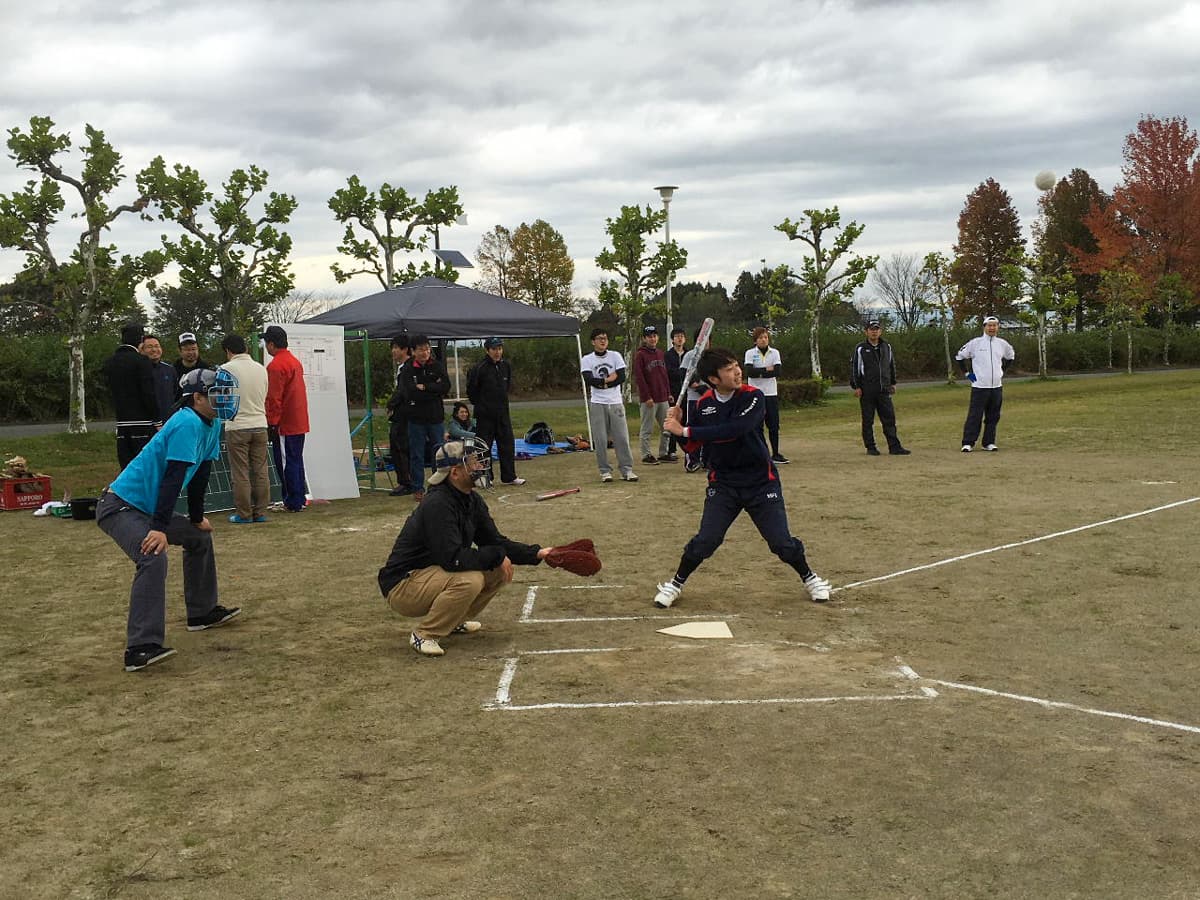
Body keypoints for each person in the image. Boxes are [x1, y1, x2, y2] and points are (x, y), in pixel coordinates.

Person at [654, 348, 831, 608]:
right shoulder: (704, 404)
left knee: (781, 543)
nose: (737, 372)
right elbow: (694, 447)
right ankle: (675, 584)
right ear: (713, 379)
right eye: (729, 369)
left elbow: (735, 430)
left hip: (761, 482)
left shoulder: (753, 396)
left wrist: (686, 429)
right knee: (706, 541)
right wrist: (677, 430)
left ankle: (810, 577)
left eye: (737, 365)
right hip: (724, 484)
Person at [95, 366, 243, 672]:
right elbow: (172, 479)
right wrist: (160, 530)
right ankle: (140, 647)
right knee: (153, 555)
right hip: (121, 506)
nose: (225, 399)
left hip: (147, 509)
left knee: (198, 537)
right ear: (197, 398)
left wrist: (198, 517)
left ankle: (201, 613)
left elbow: (201, 472)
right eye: (218, 394)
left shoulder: (212, 423)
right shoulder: (187, 423)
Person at [377, 440, 555, 657]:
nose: (480, 466)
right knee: (470, 579)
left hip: (430, 575)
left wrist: (538, 553)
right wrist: (498, 556)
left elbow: (494, 541)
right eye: (472, 463)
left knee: (497, 571)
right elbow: (453, 558)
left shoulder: (471, 499)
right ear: (454, 472)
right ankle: (425, 634)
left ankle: (453, 621)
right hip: (403, 584)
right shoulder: (438, 504)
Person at [221, 334, 271, 523]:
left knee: (240, 472)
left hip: (237, 425)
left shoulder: (225, 369)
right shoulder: (261, 369)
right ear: (246, 348)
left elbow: (222, 399)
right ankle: (261, 512)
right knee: (261, 470)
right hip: (260, 423)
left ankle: (244, 514)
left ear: (228, 351)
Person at [579, 327, 637, 483]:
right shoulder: (587, 359)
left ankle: (627, 469)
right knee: (600, 439)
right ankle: (605, 471)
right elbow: (589, 380)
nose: (603, 341)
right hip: (598, 403)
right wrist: (607, 380)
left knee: (621, 437)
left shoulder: (615, 356)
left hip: (615, 402)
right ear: (593, 342)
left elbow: (621, 377)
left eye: (605, 338)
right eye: (599, 338)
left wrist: (607, 382)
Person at [262, 325, 310, 511]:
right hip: (299, 420)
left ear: (272, 344)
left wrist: (272, 423)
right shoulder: (294, 361)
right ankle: (299, 498)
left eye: (266, 342)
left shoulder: (275, 366)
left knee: (285, 462)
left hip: (286, 422)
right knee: (296, 460)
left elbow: (274, 398)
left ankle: (292, 501)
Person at [103, 322, 162, 470]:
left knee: (126, 468)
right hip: (142, 423)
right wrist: (157, 419)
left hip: (122, 422)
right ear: (140, 341)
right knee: (145, 467)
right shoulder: (141, 361)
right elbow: (148, 393)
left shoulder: (110, 362)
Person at [467, 336, 525, 485]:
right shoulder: (479, 368)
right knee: (483, 446)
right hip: (484, 415)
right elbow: (472, 392)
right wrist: (483, 405)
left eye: (499, 348)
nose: (497, 352)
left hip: (503, 413)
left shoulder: (506, 366)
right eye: (494, 349)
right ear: (487, 350)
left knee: (507, 444)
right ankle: (485, 477)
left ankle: (509, 476)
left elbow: (506, 387)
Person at [849, 320, 911, 456]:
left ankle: (894, 446)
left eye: (876, 329)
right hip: (867, 390)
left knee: (889, 419)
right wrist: (857, 386)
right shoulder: (860, 348)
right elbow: (855, 368)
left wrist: (893, 383)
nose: (874, 332)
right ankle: (871, 447)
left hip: (884, 389)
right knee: (868, 420)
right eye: (871, 329)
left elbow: (891, 365)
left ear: (880, 331)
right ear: (866, 331)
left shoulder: (886, 347)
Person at [400, 334, 450, 502]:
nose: (425, 352)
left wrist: (426, 387)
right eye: (421, 349)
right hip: (416, 418)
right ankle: (417, 488)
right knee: (417, 455)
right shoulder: (407, 369)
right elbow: (408, 392)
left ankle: (439, 486)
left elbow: (445, 387)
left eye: (427, 349)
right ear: (413, 351)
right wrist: (431, 391)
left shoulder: (437, 366)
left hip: (435, 417)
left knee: (439, 452)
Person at [956, 315, 1016, 452]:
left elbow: (1010, 356)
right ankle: (968, 442)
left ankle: (988, 442)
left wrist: (1002, 371)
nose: (992, 328)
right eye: (989, 325)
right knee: (975, 415)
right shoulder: (975, 343)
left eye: (994, 325)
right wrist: (967, 373)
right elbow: (959, 356)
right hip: (979, 387)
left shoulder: (1002, 344)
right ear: (984, 327)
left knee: (993, 416)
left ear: (998, 327)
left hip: (996, 387)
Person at [743, 326, 788, 463]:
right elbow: (750, 372)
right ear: (755, 340)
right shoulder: (750, 353)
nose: (763, 340)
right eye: (760, 337)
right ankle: (761, 453)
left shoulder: (774, 353)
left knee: (773, 424)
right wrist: (766, 370)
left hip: (771, 393)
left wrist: (760, 372)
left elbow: (777, 372)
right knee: (757, 425)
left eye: (765, 337)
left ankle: (776, 453)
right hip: (755, 393)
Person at [633, 325, 674, 465]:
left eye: (655, 335)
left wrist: (668, 393)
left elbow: (664, 375)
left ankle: (663, 453)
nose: (653, 338)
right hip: (650, 399)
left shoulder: (661, 353)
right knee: (647, 428)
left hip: (663, 396)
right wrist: (646, 397)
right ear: (644, 338)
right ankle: (646, 454)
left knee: (666, 427)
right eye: (650, 336)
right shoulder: (641, 355)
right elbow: (640, 378)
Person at [385, 336, 414, 496]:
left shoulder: (408, 368)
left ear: (405, 349)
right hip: (401, 413)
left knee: (400, 446)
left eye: (397, 347)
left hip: (404, 414)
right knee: (398, 446)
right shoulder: (402, 367)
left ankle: (406, 481)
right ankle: (405, 480)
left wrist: (391, 404)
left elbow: (403, 391)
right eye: (393, 347)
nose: (393, 351)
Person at [678, 327, 707, 473]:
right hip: (694, 399)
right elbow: (684, 373)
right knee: (693, 429)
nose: (706, 343)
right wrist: (697, 385)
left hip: (710, 399)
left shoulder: (711, 356)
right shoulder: (690, 355)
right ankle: (692, 460)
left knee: (709, 430)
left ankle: (706, 460)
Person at [140, 334, 178, 424]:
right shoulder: (139, 370)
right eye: (149, 347)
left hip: (169, 422)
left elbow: (175, 393)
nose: (154, 350)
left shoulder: (170, 369)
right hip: (148, 423)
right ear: (142, 350)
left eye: (157, 346)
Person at [662, 326, 688, 462]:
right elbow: (668, 373)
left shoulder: (689, 354)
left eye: (682, 336)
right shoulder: (667, 355)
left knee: (686, 420)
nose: (679, 339)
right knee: (673, 419)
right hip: (674, 392)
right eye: (677, 336)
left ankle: (688, 449)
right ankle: (671, 450)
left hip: (688, 392)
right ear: (672, 340)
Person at [172, 332, 211, 402]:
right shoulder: (173, 370)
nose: (190, 352)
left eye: (193, 349)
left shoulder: (205, 369)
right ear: (180, 351)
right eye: (187, 350)